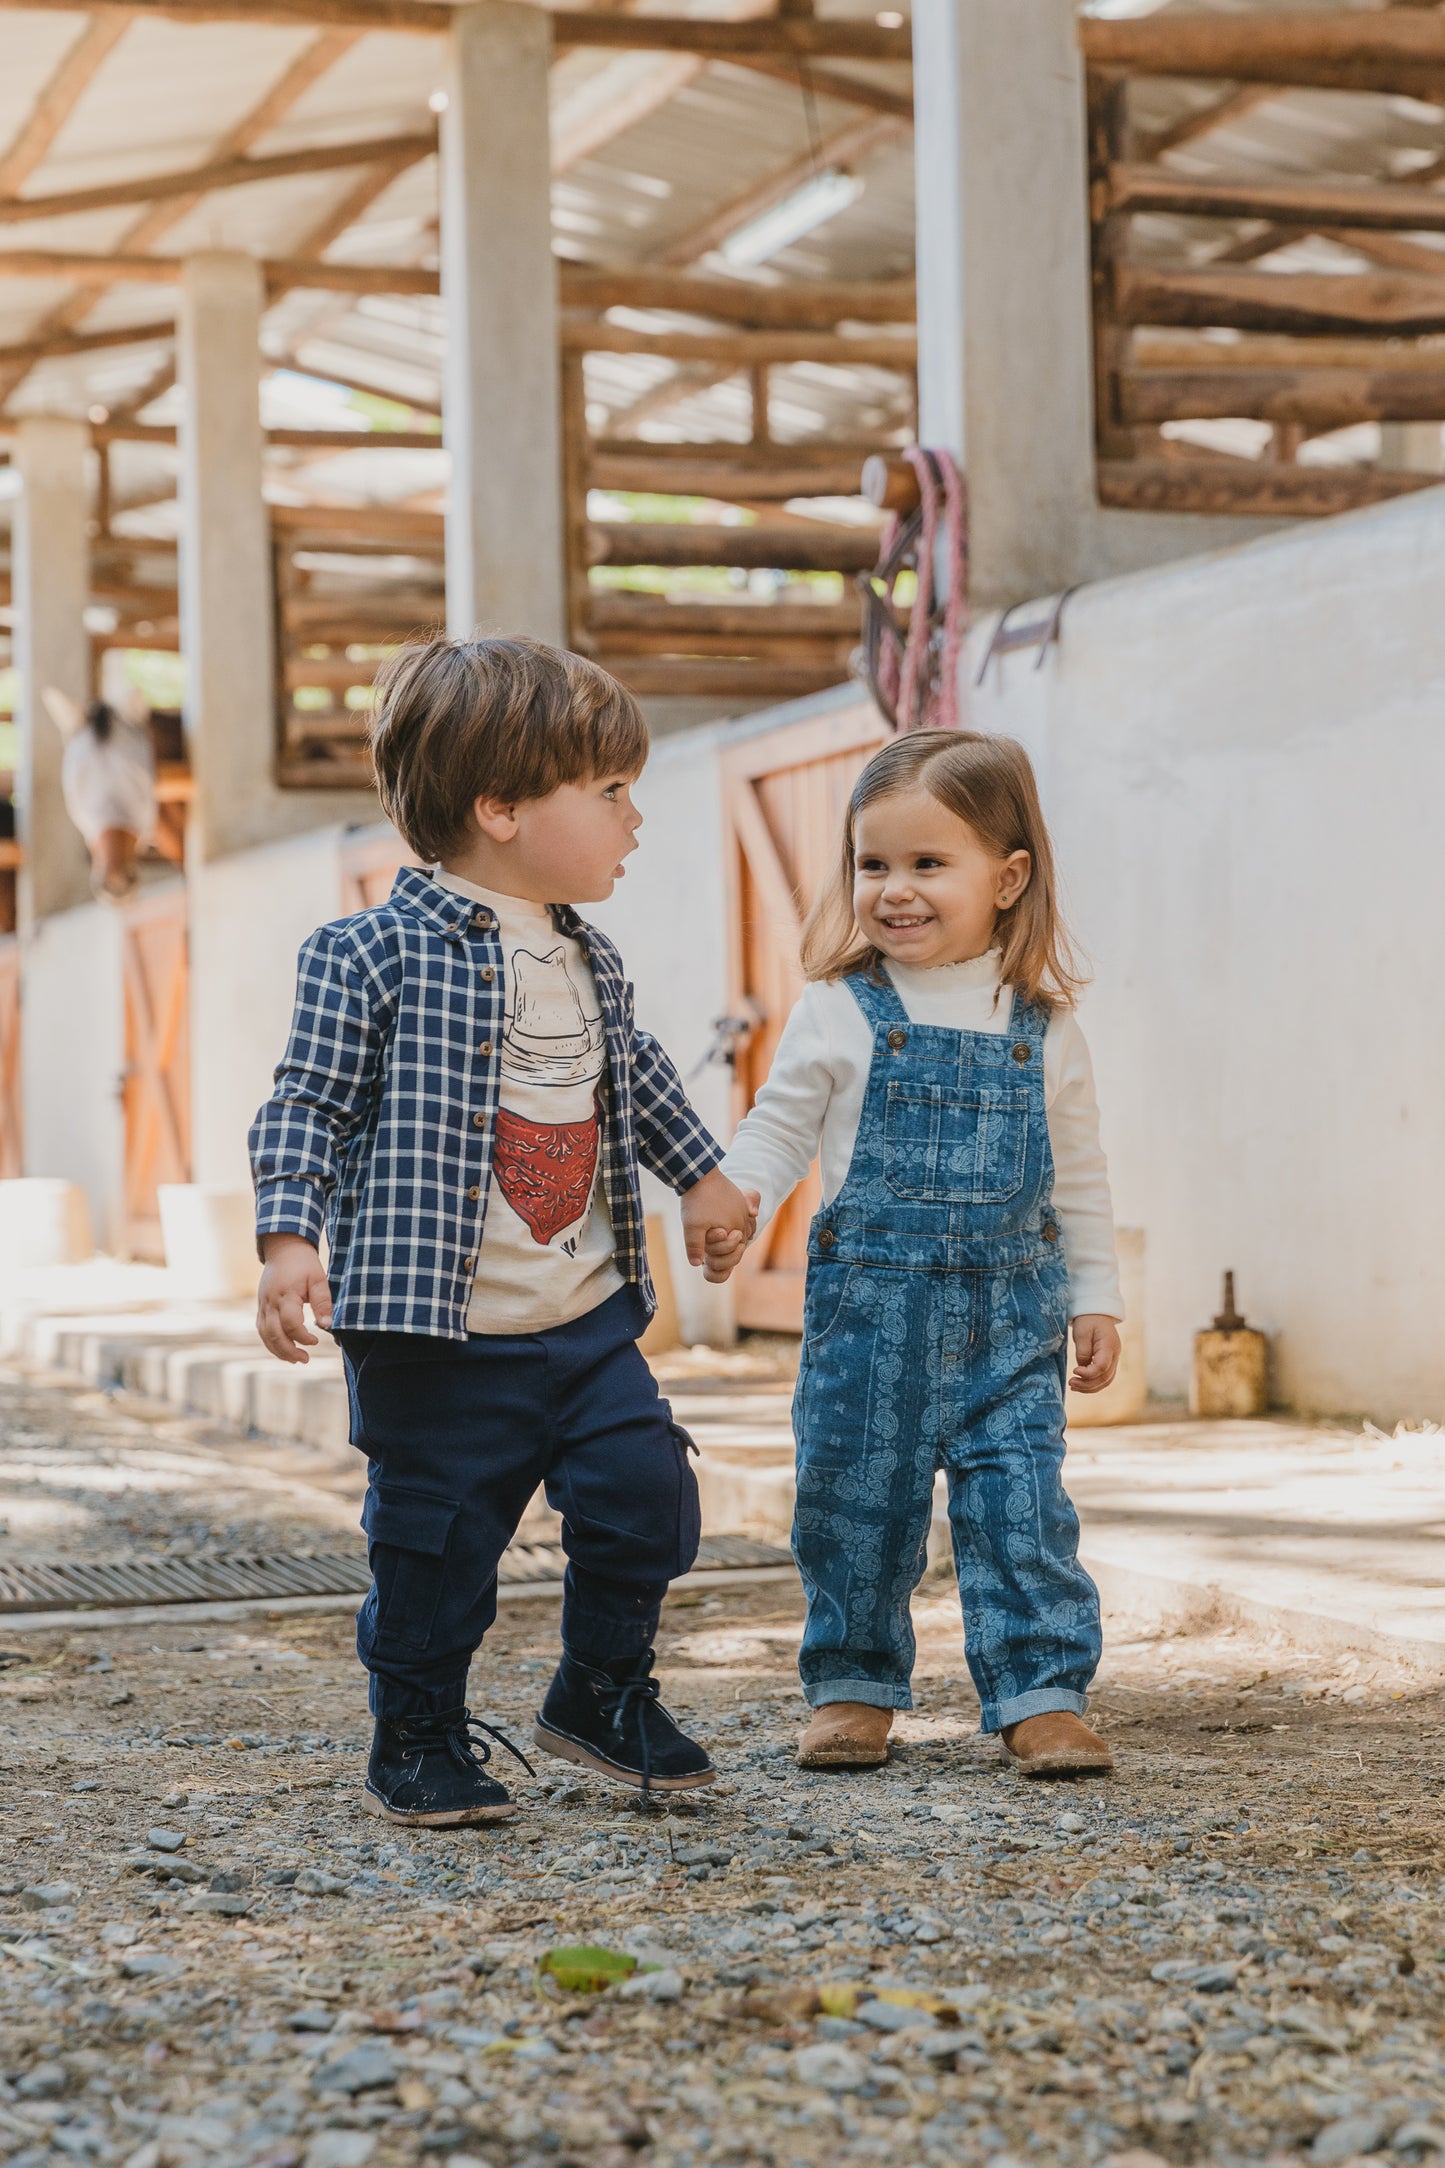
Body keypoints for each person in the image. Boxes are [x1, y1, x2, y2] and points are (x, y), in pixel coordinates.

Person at [249, 636, 755, 1827]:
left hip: (580, 1318)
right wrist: (288, 1237)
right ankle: (416, 1730)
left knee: (648, 1496)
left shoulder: (590, 955)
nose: (637, 819)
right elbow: (304, 1102)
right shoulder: (366, 952)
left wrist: (703, 1179)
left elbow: (631, 1075)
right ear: (502, 807)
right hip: (434, 1330)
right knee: (434, 1549)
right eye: (612, 791)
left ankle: (598, 1686)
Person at [705, 729, 1122, 1778]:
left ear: (1006, 875)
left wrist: (1096, 1296)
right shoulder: (838, 1007)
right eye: (872, 863)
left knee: (1019, 1503)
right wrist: (738, 1193)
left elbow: (1077, 1174)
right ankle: (850, 1685)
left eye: (927, 863)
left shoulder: (1043, 1025)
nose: (893, 889)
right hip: (869, 1320)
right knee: (851, 1499)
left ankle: (1039, 1690)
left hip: (1008, 1322)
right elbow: (777, 1125)